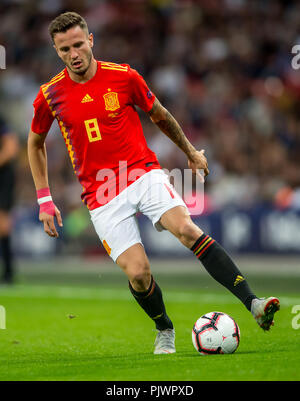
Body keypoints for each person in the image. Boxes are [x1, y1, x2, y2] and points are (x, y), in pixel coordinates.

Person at [27, 12, 279, 354]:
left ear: (90, 41)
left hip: (141, 172)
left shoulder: (124, 77)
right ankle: (164, 328)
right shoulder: (50, 94)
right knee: (139, 274)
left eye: (77, 44)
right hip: (101, 193)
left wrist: (190, 152)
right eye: (64, 49)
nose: (73, 54)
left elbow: (159, 114)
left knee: (187, 230)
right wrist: (45, 199)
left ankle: (254, 303)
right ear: (56, 51)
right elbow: (35, 143)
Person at [0, 116, 19, 284]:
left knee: (3, 224)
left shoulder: (2, 121)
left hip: (3, 177)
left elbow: (11, 148)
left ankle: (8, 273)